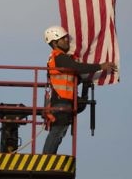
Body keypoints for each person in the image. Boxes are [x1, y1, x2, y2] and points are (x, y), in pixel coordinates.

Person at [42, 25, 117, 154]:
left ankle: (48, 157)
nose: (67, 41)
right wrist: (101, 66)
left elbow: (73, 75)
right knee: (57, 131)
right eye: (63, 38)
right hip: (60, 102)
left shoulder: (60, 58)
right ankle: (47, 158)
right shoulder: (59, 57)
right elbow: (77, 67)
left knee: (59, 132)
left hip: (61, 101)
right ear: (54, 42)